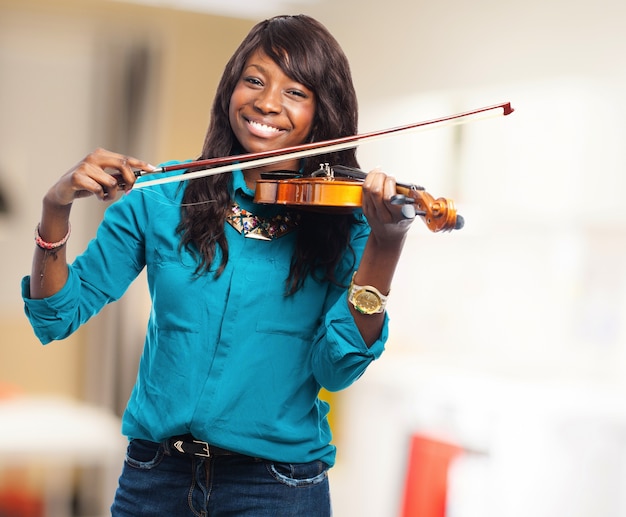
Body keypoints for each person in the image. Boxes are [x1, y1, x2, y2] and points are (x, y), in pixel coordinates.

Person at [21, 14, 416, 517]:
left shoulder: (348, 221)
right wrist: (55, 208)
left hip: (276, 490)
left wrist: (386, 246)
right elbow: (55, 317)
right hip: (154, 480)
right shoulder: (162, 196)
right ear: (230, 88)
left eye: (295, 91)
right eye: (254, 80)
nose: (267, 102)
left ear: (323, 112)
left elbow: (335, 370)